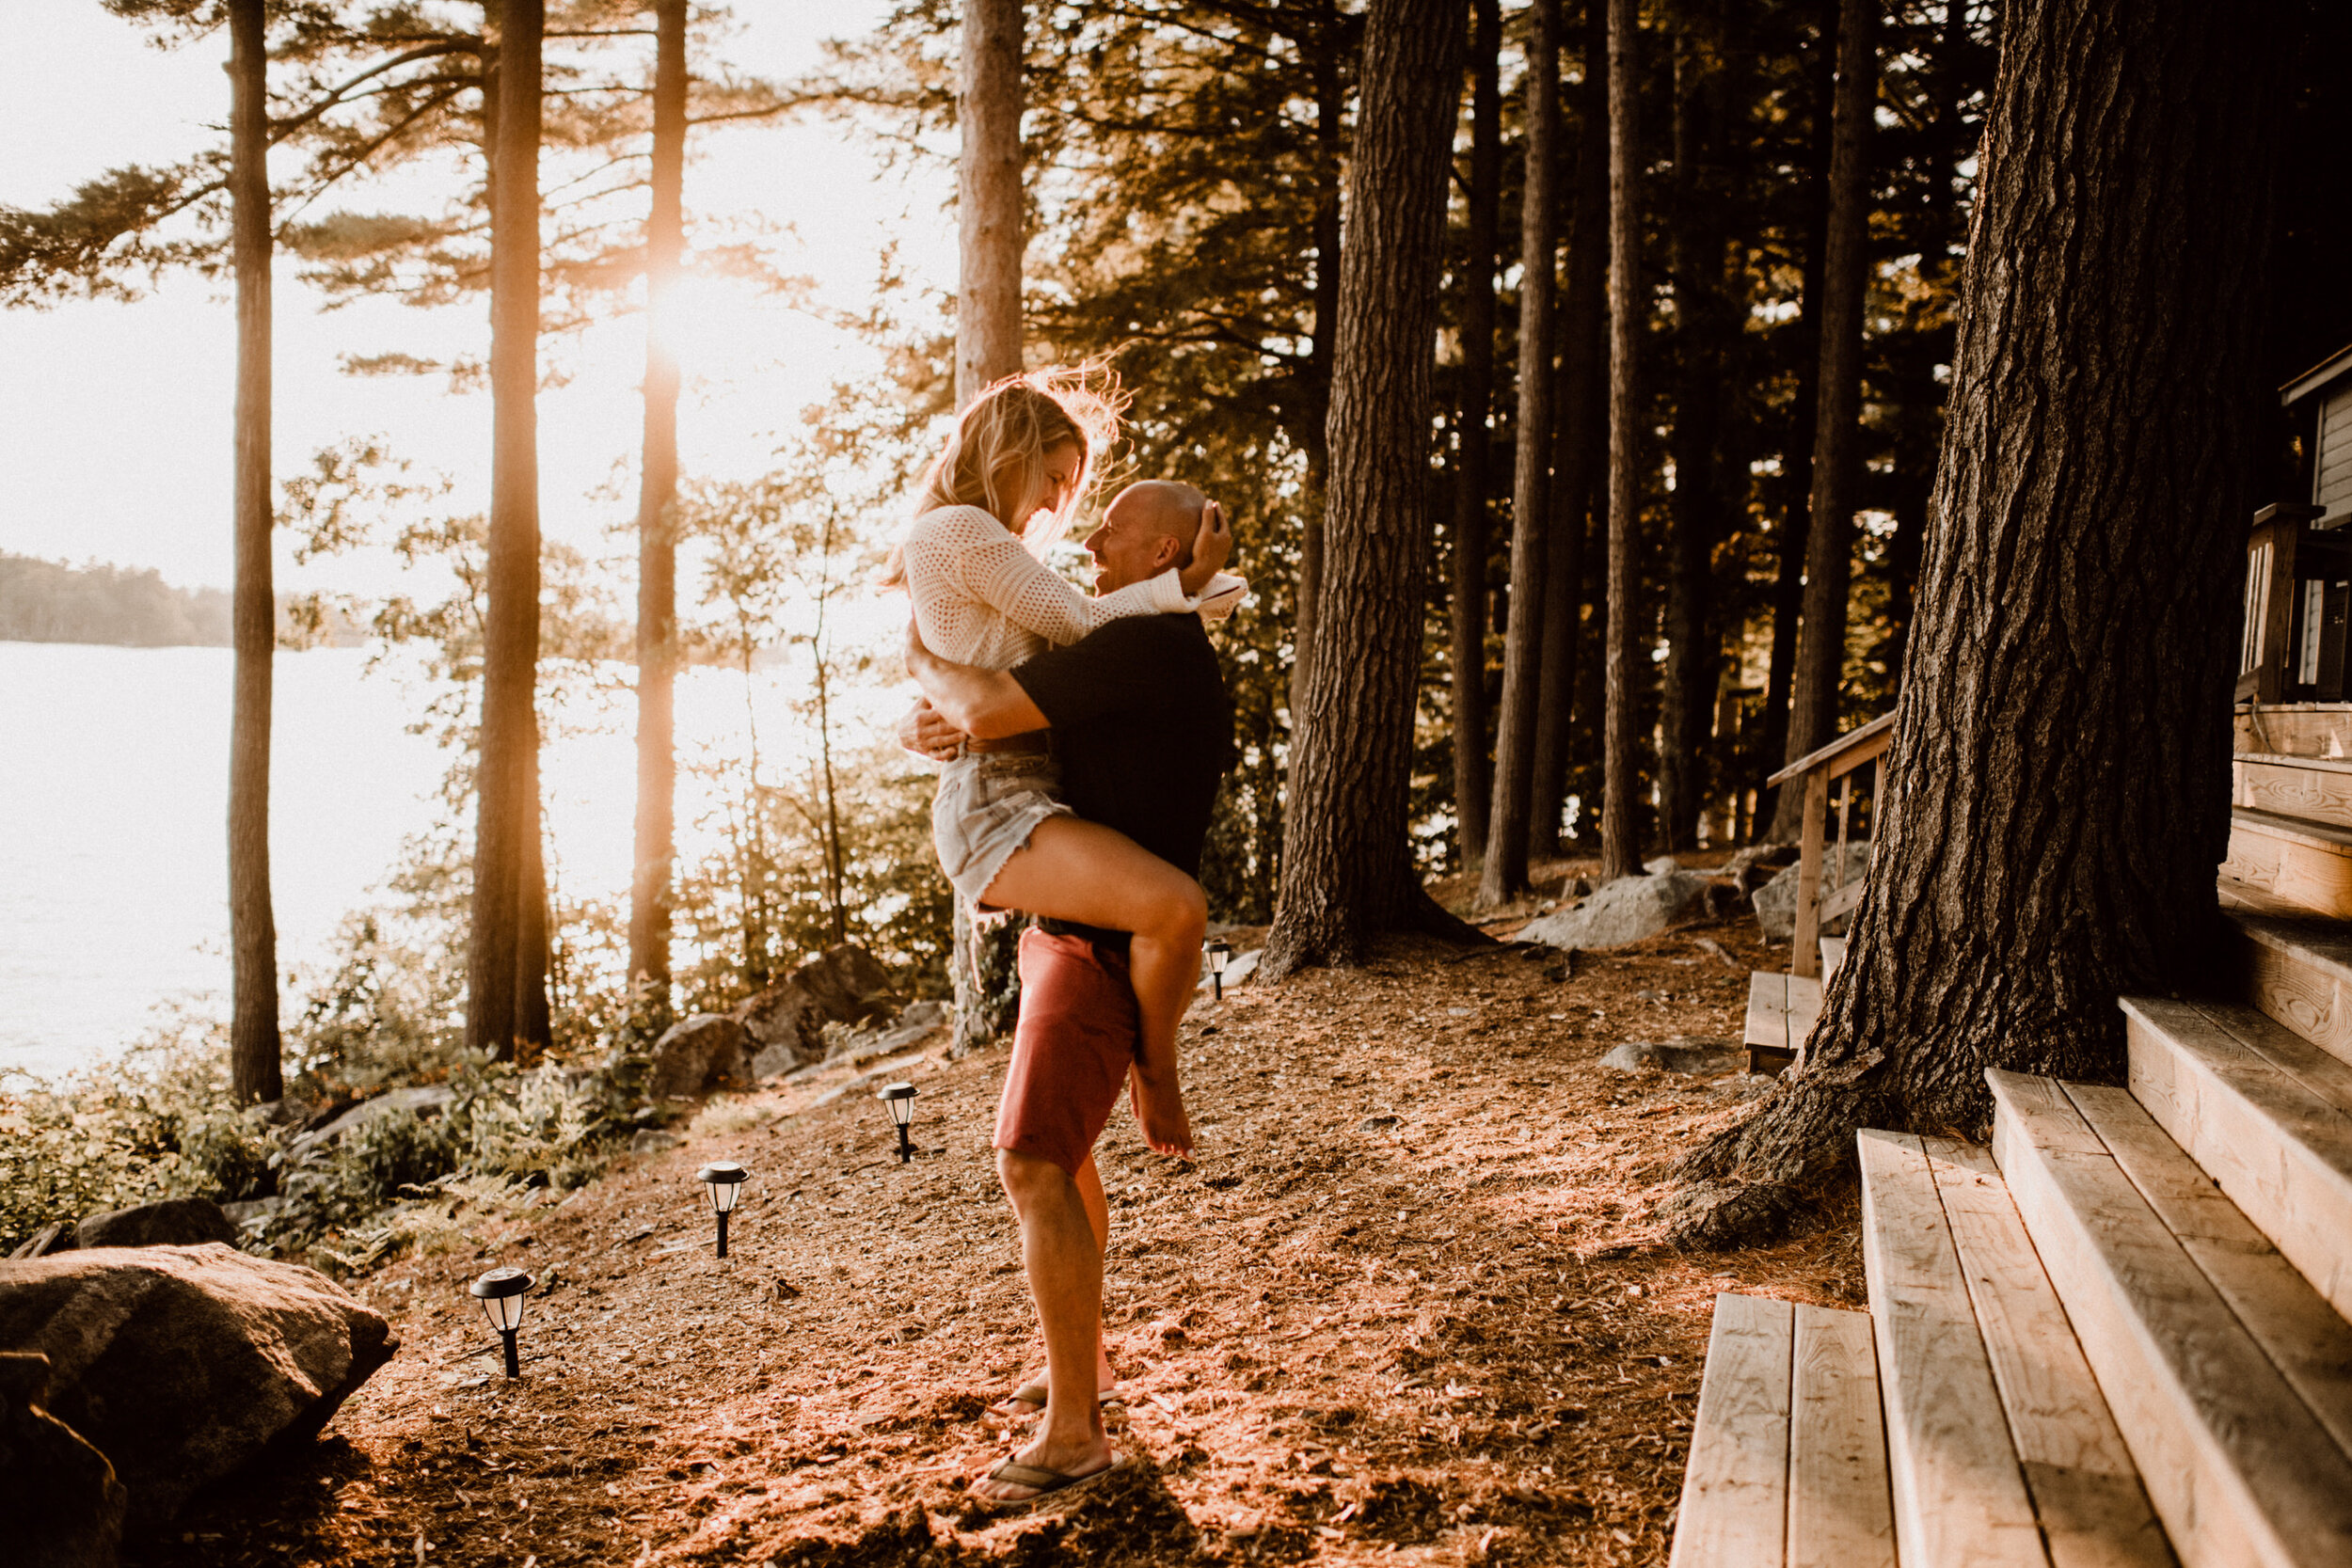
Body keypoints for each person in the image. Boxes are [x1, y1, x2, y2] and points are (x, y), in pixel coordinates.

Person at [900, 480, 1236, 1503]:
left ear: (1162, 550)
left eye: (1114, 526)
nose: (1088, 536)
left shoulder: (1146, 644)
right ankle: (1079, 1374)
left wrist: (921, 655)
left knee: (1033, 1164)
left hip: (1100, 942)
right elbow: (1009, 721)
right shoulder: (1129, 646)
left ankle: (1072, 1433)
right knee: (1062, 1159)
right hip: (1075, 924)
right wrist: (942, 725)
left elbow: (994, 701)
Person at [884, 370, 1243, 1132]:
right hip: (997, 801)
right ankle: (1159, 1070)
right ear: (1008, 449)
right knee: (1177, 907)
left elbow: (996, 676)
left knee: (1168, 911)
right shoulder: (959, 530)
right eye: (1052, 478)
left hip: (1015, 790)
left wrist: (921, 705)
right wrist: (1188, 582)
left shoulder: (972, 538)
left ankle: (1146, 1073)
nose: (1056, 507)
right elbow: (1080, 624)